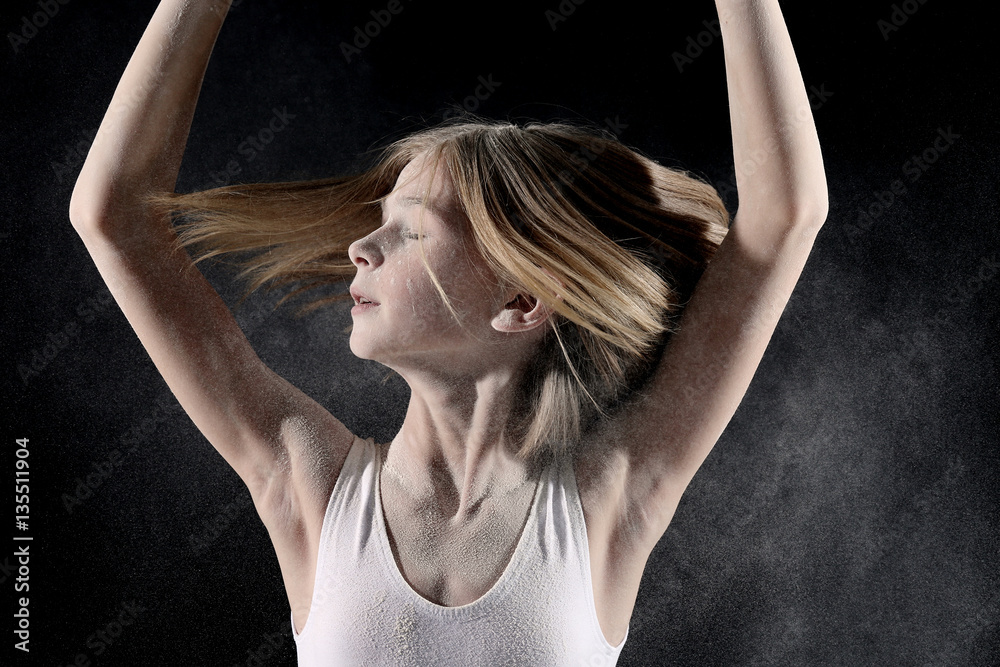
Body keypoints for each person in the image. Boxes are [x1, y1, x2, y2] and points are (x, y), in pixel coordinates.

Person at [69, 0, 827, 664]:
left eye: (411, 231)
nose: (359, 248)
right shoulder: (314, 489)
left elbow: (785, 216)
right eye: (379, 223)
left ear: (521, 300)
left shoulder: (606, 503)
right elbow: (113, 218)